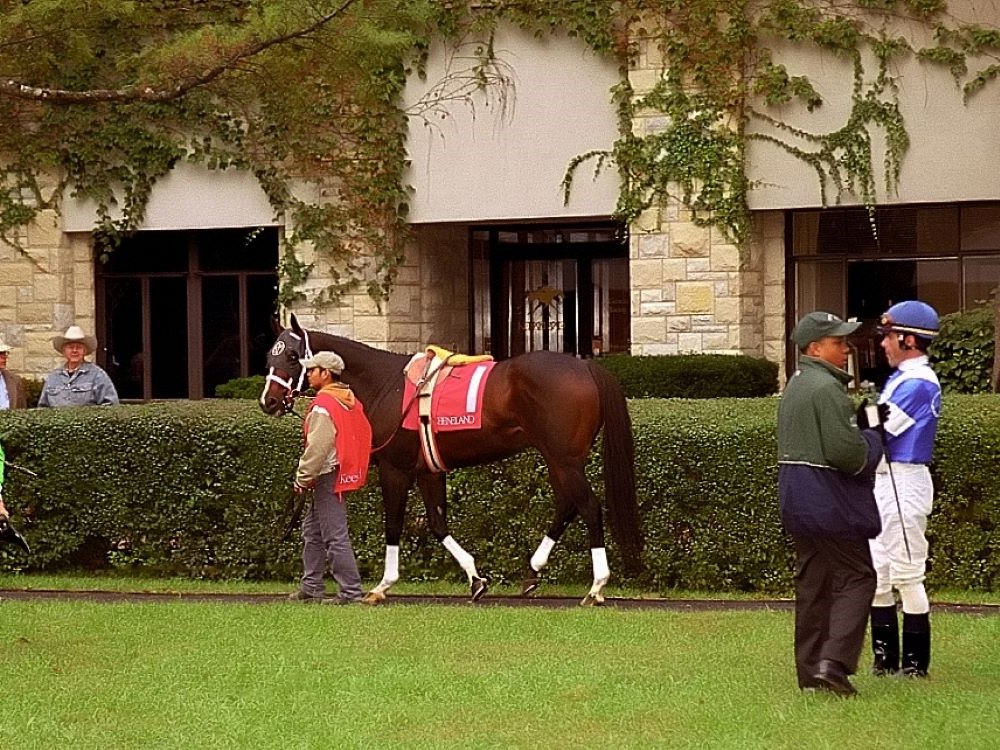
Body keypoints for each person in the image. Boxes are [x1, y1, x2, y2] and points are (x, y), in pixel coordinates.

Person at [777, 311, 884, 697]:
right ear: (815, 348)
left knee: (815, 585)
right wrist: (874, 436)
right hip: (829, 503)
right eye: (838, 342)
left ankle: (810, 675)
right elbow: (849, 456)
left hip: (796, 500)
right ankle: (834, 664)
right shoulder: (827, 389)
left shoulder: (797, 384)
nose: (845, 348)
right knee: (859, 576)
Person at [868, 301, 941, 678]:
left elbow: (878, 430)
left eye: (889, 337)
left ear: (909, 340)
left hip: (902, 479)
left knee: (908, 572)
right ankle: (885, 660)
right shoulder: (902, 379)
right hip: (886, 481)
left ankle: (914, 665)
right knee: (879, 570)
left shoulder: (916, 383)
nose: (883, 344)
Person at [288, 350, 372, 605]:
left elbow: (318, 447)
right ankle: (311, 586)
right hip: (337, 472)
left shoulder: (324, 406)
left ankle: (350, 593)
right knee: (312, 531)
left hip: (326, 475)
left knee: (334, 535)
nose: (309, 374)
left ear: (326, 374)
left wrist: (303, 477)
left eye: (313, 370)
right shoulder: (346, 400)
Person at [38, 326, 119, 407]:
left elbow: (111, 405)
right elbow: (42, 408)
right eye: (70, 347)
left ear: (85, 351)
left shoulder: (97, 375)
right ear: (64, 351)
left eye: (79, 347)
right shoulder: (53, 377)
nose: (74, 350)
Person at [0, 336, 27, 410]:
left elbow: (22, 411)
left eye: (5, 353)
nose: (4, 357)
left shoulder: (15, 380)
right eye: (0, 354)